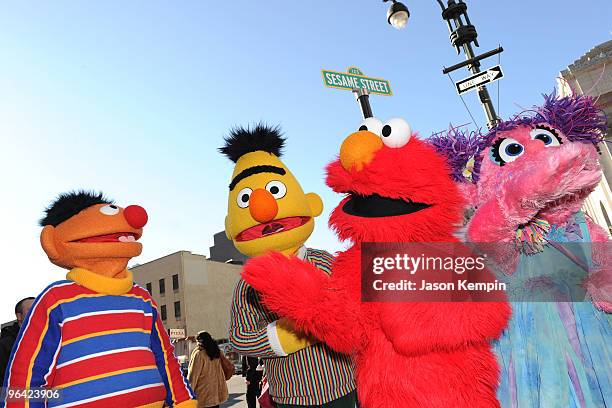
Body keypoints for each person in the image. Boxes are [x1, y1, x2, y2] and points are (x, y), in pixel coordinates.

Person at [2, 191, 196, 408]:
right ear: (52, 240)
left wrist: (183, 400)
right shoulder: (55, 300)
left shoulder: (142, 299)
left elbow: (165, 356)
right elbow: (26, 373)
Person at [220, 124, 356, 407]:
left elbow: (356, 306)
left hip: (345, 385)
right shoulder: (249, 283)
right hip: (292, 395)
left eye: (274, 191)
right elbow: (239, 337)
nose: (263, 208)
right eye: (247, 199)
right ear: (231, 225)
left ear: (309, 203)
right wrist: (286, 335)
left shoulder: (325, 261)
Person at [188, 331, 229, 408]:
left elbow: (193, 377)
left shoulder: (199, 354)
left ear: (199, 341)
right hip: (216, 395)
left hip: (203, 397)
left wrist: (188, 394)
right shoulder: (216, 352)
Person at [0, 298, 35, 384]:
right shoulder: (5, 344)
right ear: (19, 316)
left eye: (39, 308)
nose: (37, 312)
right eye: (31, 309)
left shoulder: (53, 338)